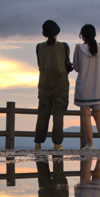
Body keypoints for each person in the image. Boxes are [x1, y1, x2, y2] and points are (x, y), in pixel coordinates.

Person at [73, 24, 100, 150]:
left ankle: (90, 144)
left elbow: (76, 68)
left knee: (86, 117)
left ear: (82, 36)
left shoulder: (78, 48)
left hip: (83, 89)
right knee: (98, 117)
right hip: (97, 89)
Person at [35, 20, 72, 151]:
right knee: (58, 116)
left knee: (42, 115)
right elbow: (68, 66)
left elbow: (40, 66)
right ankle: (57, 144)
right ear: (57, 32)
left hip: (44, 87)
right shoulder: (64, 47)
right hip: (60, 87)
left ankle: (38, 144)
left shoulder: (39, 47)